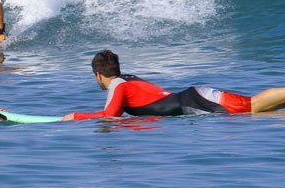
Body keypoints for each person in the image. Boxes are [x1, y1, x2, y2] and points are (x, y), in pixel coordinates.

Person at [63, 50, 285, 120]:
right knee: (264, 114)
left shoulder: (118, 85)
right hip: (196, 97)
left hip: (196, 101)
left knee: (252, 105)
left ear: (98, 75)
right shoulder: (129, 80)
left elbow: (111, 115)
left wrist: (76, 117)